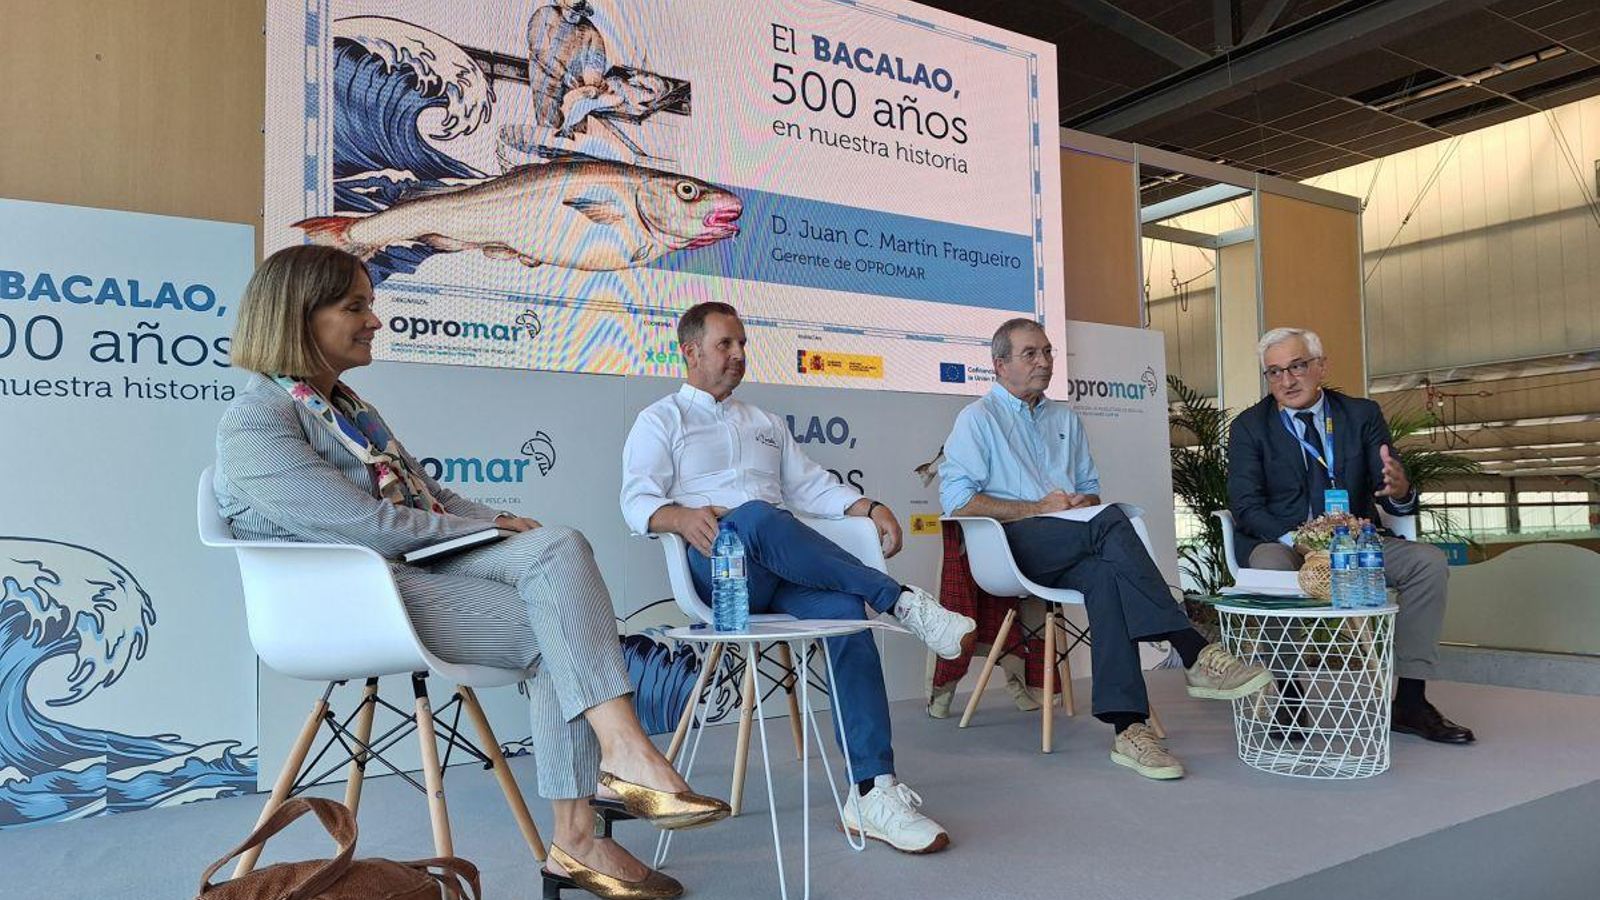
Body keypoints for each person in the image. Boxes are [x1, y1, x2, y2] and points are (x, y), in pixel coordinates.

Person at [214, 245, 727, 900]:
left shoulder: (346, 408)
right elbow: (368, 525)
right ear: (298, 316)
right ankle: (594, 812)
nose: (375, 321)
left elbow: (429, 497)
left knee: (559, 552)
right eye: (356, 307)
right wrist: (483, 533)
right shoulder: (257, 420)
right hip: (345, 604)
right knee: (559, 627)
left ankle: (605, 794)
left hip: (404, 577)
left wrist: (497, 518)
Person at [621, 301, 977, 854]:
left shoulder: (764, 423)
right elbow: (636, 500)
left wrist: (868, 505)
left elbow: (811, 487)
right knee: (757, 517)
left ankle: (871, 791)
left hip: (781, 571)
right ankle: (902, 601)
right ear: (690, 352)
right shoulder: (661, 419)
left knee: (845, 614)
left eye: (742, 344)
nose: (739, 354)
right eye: (725, 344)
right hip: (720, 573)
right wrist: (679, 517)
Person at [939, 318, 1271, 780]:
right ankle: (1193, 650)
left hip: (1073, 538)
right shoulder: (977, 419)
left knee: (1106, 575)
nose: (1044, 361)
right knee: (1112, 522)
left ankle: (1128, 729)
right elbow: (958, 502)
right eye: (1030, 353)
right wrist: (1037, 508)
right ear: (999, 364)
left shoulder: (1064, 420)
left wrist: (1082, 502)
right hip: (1013, 545)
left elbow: (1091, 490)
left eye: (1048, 351)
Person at [1227, 327, 1473, 744]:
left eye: (1297, 366)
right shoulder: (1250, 427)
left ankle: (1411, 701)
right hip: (1285, 543)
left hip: (1353, 542)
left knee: (1428, 563)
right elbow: (1246, 506)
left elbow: (1388, 486)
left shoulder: (1360, 415)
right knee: (1269, 567)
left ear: (1321, 366)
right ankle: (1288, 695)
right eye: (1274, 372)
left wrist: (1401, 491)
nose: (1287, 380)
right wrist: (1297, 541)